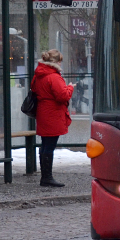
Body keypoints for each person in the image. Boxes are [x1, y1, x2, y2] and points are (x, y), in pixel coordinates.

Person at [33, 49, 74, 187]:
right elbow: (63, 96)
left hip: (43, 112)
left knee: (45, 144)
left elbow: (34, 90)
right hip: (53, 113)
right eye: (59, 61)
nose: (60, 64)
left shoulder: (38, 74)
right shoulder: (53, 77)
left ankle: (45, 177)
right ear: (55, 62)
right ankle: (47, 178)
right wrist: (70, 88)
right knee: (49, 146)